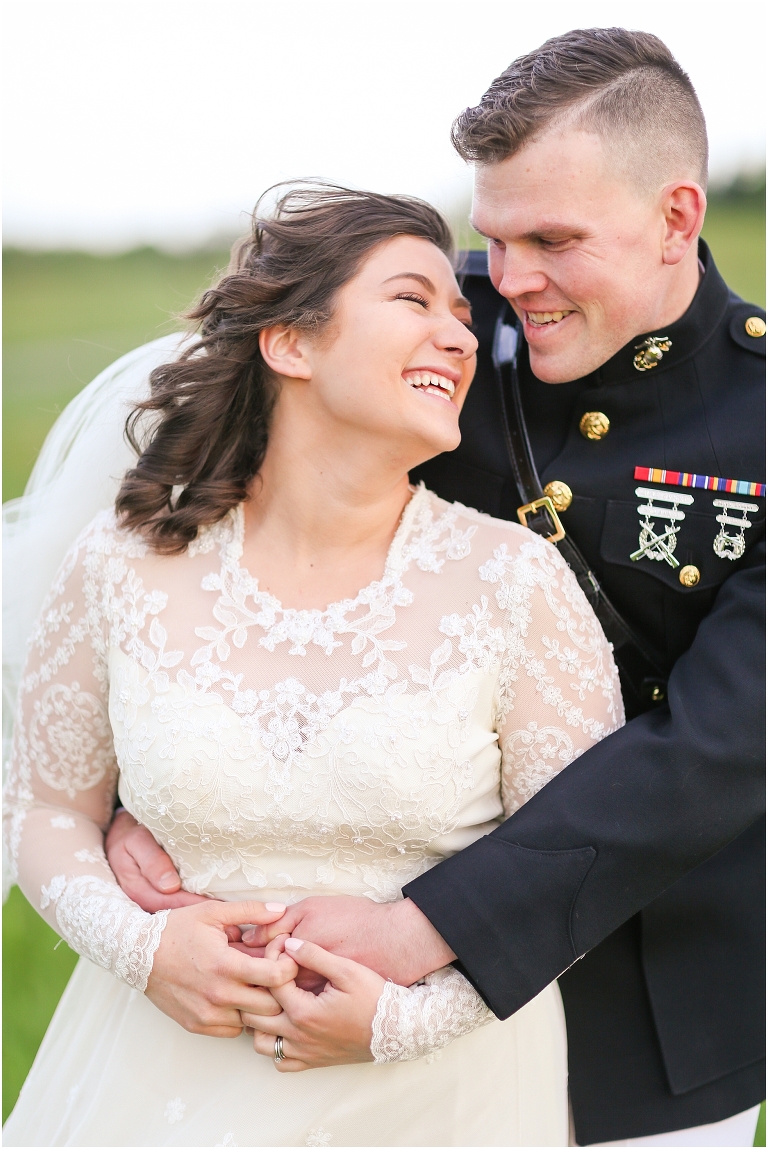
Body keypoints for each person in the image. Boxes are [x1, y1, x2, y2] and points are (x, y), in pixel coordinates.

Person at [108, 27, 766, 1148]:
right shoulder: (421, 328)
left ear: (676, 218)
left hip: (654, 1010)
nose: (509, 281)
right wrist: (156, 773)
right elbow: (210, 517)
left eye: (553, 240)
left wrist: (428, 929)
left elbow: (723, 744)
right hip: (334, 965)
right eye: (493, 237)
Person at [2, 184, 623, 1146]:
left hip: (438, 1095)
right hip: (160, 1075)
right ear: (290, 343)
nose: (460, 337)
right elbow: (45, 808)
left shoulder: (517, 582)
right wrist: (144, 949)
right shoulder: (125, 561)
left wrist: (401, 1021)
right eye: (413, 299)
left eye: (462, 317)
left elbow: (576, 870)